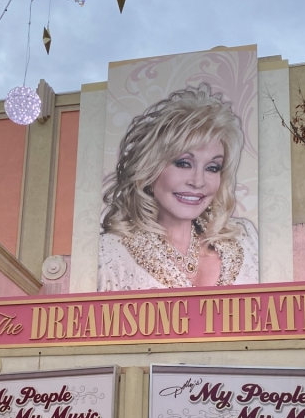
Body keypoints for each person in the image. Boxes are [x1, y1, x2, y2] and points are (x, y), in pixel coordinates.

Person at [98, 84, 259, 291]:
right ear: (150, 168)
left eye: (212, 167)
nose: (198, 181)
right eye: (183, 163)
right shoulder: (108, 254)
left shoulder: (245, 238)